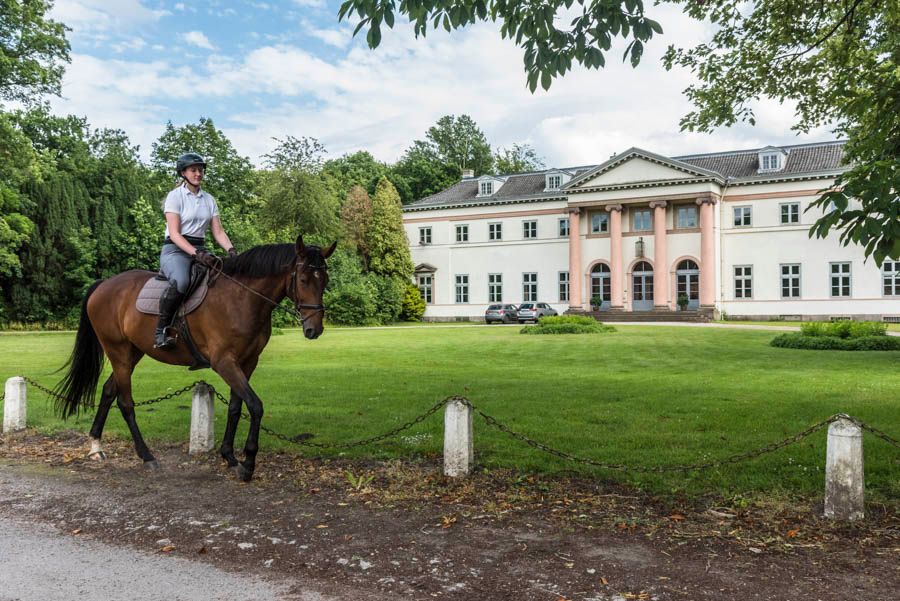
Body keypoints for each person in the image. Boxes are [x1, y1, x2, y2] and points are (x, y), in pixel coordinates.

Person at [155, 152, 237, 349]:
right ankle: (160, 332)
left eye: (200, 170)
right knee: (182, 281)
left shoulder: (209, 199)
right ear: (183, 173)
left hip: (200, 248)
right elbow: (174, 234)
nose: (198, 173)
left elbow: (218, 232)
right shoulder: (174, 197)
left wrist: (231, 250)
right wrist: (196, 253)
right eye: (193, 170)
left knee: (223, 280)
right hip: (175, 250)